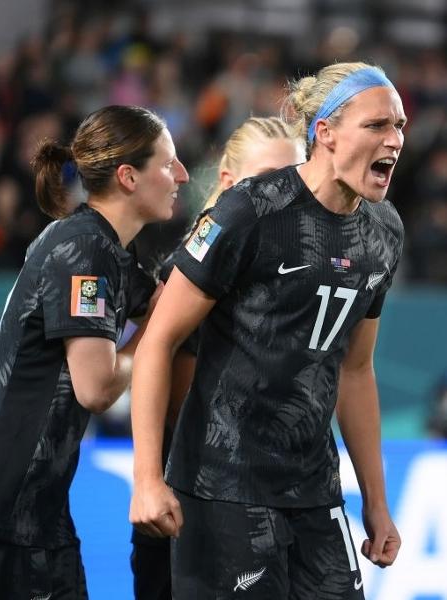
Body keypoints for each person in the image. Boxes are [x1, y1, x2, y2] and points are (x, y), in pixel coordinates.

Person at [130, 61, 406, 600]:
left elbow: (354, 369)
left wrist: (375, 501)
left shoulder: (384, 231)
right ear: (324, 132)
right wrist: (146, 478)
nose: (394, 139)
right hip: (222, 489)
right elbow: (156, 342)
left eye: (399, 126)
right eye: (377, 125)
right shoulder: (250, 211)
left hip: (315, 492)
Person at [0, 104, 188, 599]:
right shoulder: (85, 249)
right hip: (12, 514)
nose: (182, 175)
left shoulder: (108, 251)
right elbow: (97, 387)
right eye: (168, 164)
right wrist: (152, 340)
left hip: (38, 509)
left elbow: (171, 301)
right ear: (128, 176)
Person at [130, 115, 307, 600]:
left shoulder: (299, 269)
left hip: (274, 494)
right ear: (228, 182)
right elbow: (181, 400)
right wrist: (149, 480)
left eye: (293, 180)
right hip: (194, 498)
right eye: (267, 180)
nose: (282, 199)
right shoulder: (191, 270)